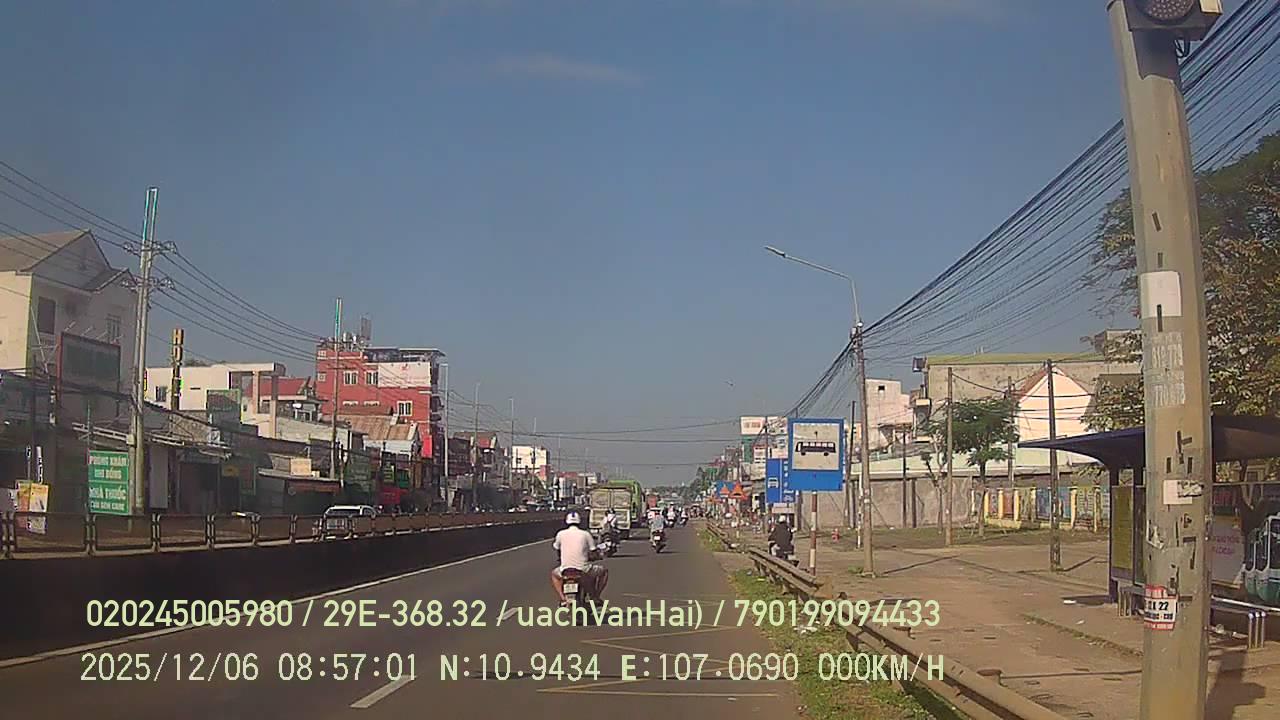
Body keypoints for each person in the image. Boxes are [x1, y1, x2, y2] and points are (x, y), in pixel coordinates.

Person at [551, 512, 608, 605]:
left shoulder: (560, 534)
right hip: (583, 569)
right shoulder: (585, 534)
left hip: (565, 569)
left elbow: (557, 548)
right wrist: (597, 556)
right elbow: (593, 550)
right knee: (604, 571)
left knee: (554, 575)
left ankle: (563, 599)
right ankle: (595, 597)